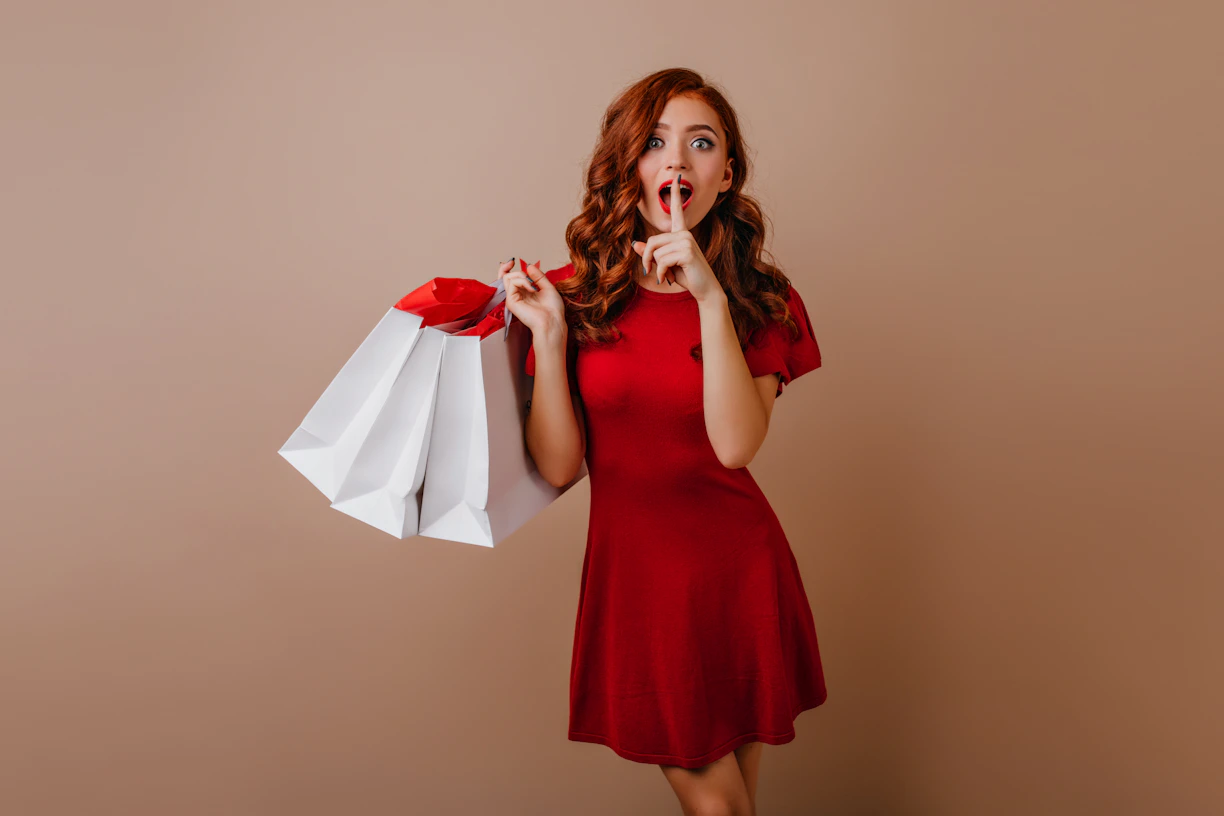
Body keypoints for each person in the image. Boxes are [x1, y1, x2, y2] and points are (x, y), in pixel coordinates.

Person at [499, 68, 826, 816]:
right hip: (640, 587)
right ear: (629, 165)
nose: (677, 161)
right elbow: (559, 464)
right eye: (654, 142)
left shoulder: (762, 299)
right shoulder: (576, 294)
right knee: (723, 809)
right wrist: (549, 337)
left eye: (700, 144)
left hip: (740, 574)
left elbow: (736, 446)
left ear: (726, 174)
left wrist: (709, 293)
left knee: (729, 807)